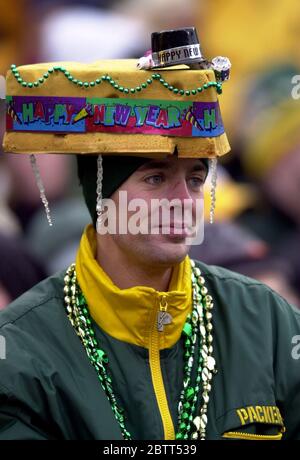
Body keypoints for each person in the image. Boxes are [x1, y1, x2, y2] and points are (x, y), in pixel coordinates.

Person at [0, 28, 300, 441]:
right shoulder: (22, 350)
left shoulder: (267, 321)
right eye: (156, 178)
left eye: (196, 179)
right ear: (101, 199)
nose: (183, 199)